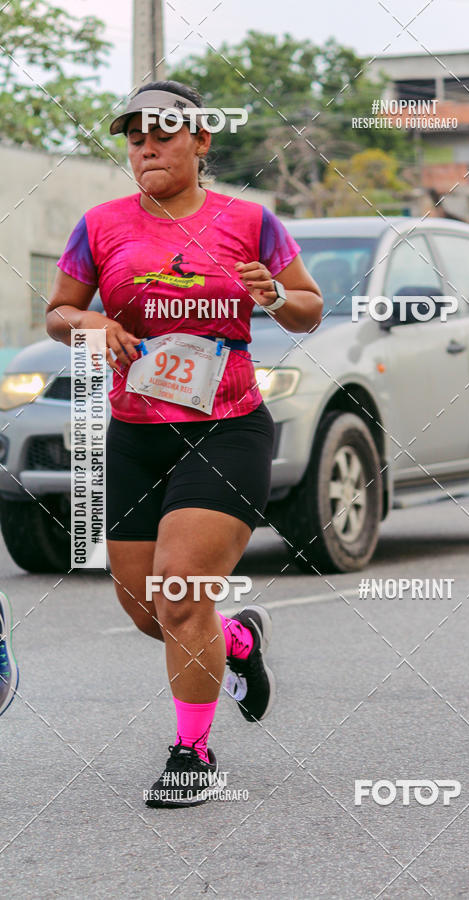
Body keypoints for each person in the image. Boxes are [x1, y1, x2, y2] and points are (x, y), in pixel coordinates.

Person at [46, 80, 323, 807]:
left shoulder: (250, 222)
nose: (146, 147)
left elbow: (308, 310)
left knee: (178, 594)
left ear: (201, 141)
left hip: (227, 430)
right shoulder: (100, 225)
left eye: (163, 133)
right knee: (149, 612)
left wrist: (274, 298)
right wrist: (93, 327)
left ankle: (191, 752)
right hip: (136, 434)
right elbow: (59, 313)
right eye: (135, 136)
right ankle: (234, 640)